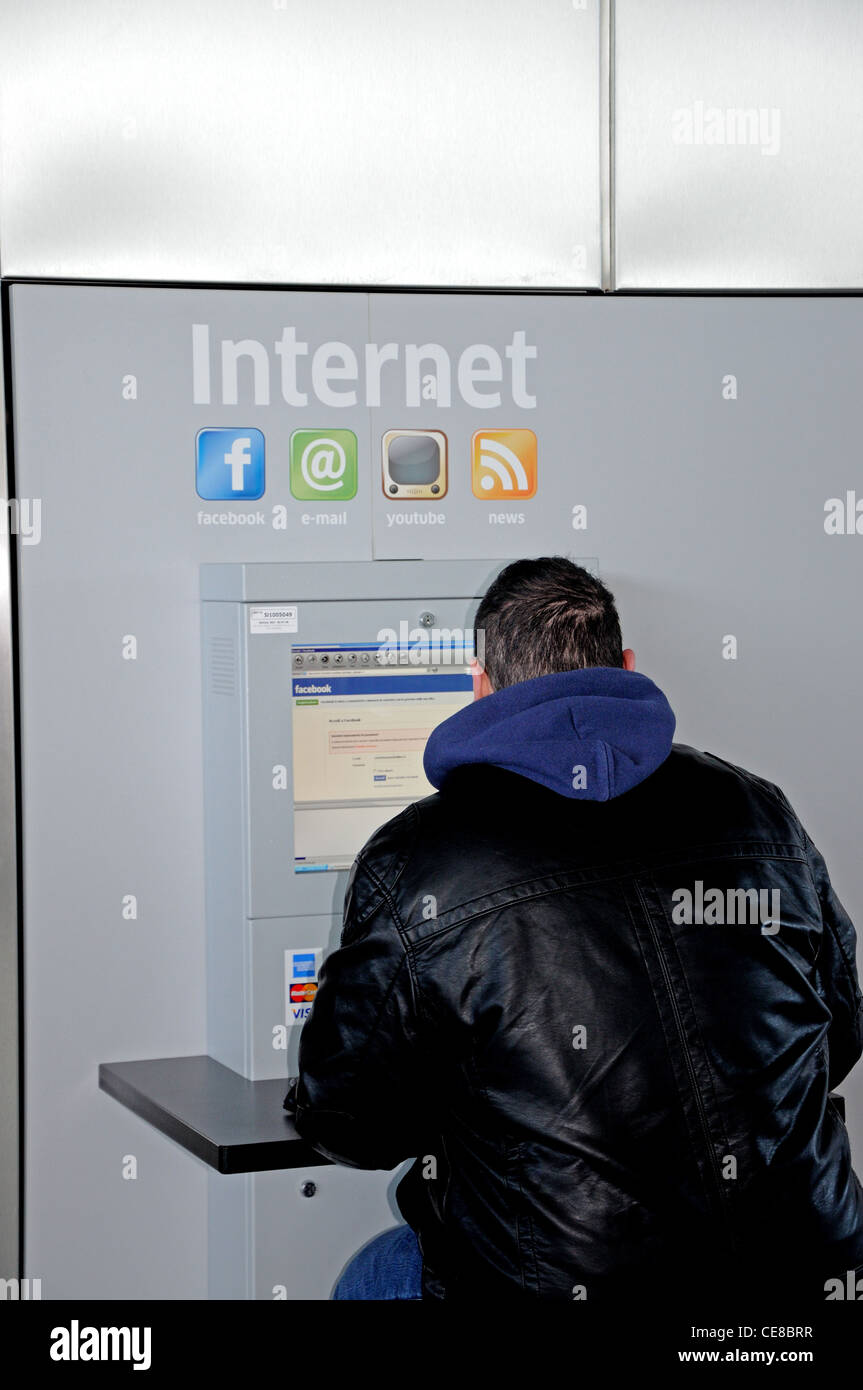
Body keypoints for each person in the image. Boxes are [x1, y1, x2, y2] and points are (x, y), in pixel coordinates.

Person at [284, 556, 863, 1303]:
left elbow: (350, 1125)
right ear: (624, 667)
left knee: (373, 1276)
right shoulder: (758, 809)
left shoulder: (417, 860)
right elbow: (839, 1033)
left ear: (480, 684)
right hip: (806, 1274)